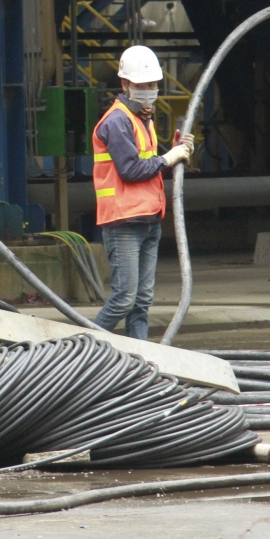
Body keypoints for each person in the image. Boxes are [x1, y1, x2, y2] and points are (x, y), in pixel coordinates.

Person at [90, 45, 194, 339]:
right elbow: (131, 170)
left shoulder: (140, 118)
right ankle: (81, 349)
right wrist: (168, 158)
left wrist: (172, 152)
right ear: (125, 84)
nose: (149, 90)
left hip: (147, 219)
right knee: (124, 298)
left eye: (152, 85)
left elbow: (146, 161)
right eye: (142, 85)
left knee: (141, 302)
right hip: (123, 222)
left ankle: (141, 361)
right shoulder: (117, 121)